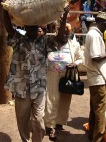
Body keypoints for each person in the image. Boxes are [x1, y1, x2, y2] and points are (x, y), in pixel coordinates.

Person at [3, 0, 70, 140]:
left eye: (36, 27)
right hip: (21, 89)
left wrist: (64, 17)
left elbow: (59, 38)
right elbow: (8, 27)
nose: (34, 29)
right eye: (31, 27)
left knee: (39, 122)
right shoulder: (18, 40)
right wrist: (4, 9)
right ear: (25, 27)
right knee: (22, 121)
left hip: (39, 88)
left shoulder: (45, 42)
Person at [44, 21, 84, 141]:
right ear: (58, 32)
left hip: (67, 75)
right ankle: (51, 126)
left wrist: (75, 63)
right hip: (52, 74)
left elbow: (81, 58)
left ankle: (59, 122)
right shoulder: (50, 43)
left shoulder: (74, 45)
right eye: (63, 32)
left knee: (64, 100)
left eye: (68, 32)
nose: (65, 34)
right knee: (51, 99)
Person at [84, 12, 106, 142]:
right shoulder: (95, 36)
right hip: (98, 77)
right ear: (103, 23)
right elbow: (96, 57)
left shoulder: (92, 34)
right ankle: (97, 138)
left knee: (94, 108)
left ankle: (92, 133)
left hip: (95, 77)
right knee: (100, 111)